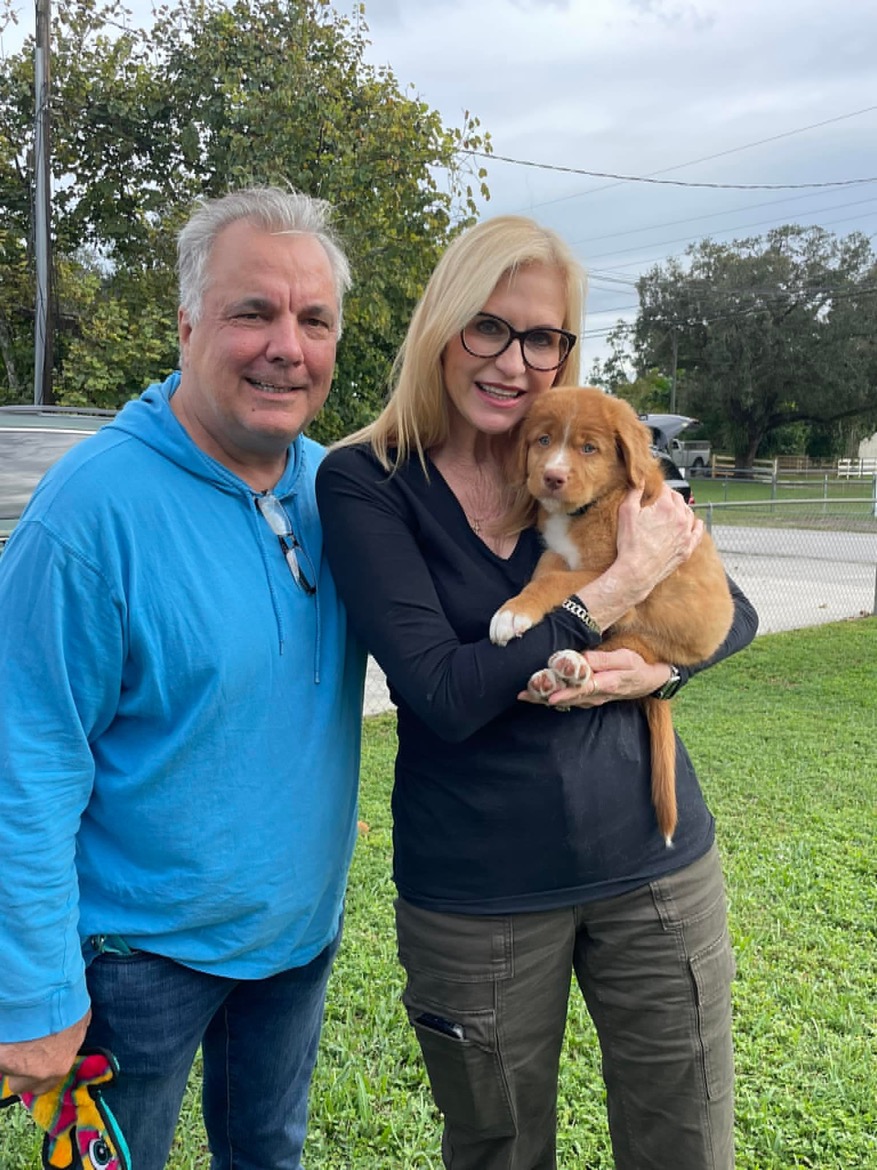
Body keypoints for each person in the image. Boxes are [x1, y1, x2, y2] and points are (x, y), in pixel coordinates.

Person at [315, 214, 758, 1170]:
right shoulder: (367, 481)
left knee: (686, 1141)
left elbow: (734, 610)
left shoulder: (596, 465)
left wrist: (663, 667)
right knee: (498, 1149)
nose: (514, 362)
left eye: (543, 338)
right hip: (480, 895)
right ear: (441, 325)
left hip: (655, 869)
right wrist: (603, 597)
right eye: (488, 327)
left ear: (566, 351)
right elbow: (441, 690)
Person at [0, 186, 365, 1170]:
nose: (286, 345)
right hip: (132, 966)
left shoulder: (342, 495)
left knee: (267, 1157)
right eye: (253, 312)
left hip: (293, 944)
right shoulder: (90, 513)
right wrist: (34, 991)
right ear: (189, 322)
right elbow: (21, 760)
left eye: (313, 319)